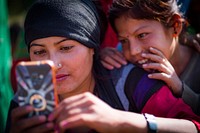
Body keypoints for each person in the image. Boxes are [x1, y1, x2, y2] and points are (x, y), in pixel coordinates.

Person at [5, 0, 200, 133]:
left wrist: (121, 122)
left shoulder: (130, 82)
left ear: (93, 48)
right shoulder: (26, 102)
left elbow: (194, 126)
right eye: (39, 52)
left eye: (66, 47)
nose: (53, 63)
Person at [100, 0, 200, 115]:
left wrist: (180, 89)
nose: (133, 51)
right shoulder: (124, 64)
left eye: (142, 35)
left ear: (175, 26)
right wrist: (100, 58)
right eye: (124, 41)